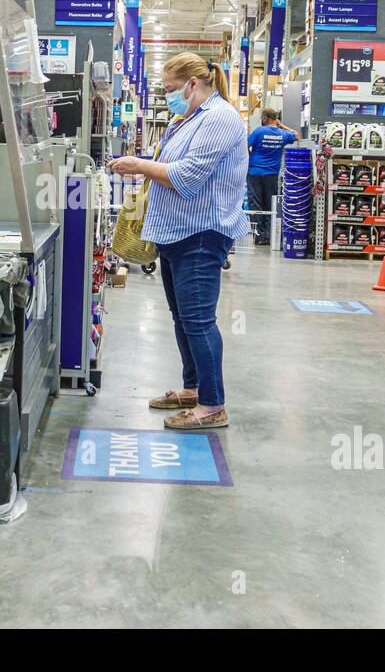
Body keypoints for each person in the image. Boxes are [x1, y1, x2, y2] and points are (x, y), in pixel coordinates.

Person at [108, 53, 249, 429]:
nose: (167, 96)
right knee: (181, 317)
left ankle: (213, 405)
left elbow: (188, 177)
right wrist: (140, 162)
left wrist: (138, 165)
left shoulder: (219, 119)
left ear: (192, 83)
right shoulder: (187, 118)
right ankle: (193, 389)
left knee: (199, 320)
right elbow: (168, 164)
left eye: (171, 89)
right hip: (175, 231)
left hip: (201, 232)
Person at [246, 108, 298, 245]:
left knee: (255, 203)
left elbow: (246, 144)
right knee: (270, 204)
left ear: (264, 118)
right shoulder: (283, 134)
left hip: (254, 172)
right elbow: (297, 135)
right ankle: (269, 236)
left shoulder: (259, 131)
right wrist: (281, 126)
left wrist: (250, 157)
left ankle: (259, 236)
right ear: (275, 119)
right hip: (272, 174)